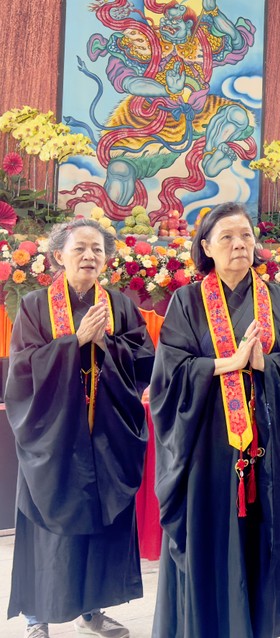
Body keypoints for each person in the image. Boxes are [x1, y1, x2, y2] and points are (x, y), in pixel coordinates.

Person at [150, 202, 280, 638]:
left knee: (257, 544)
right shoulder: (187, 301)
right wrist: (226, 363)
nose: (239, 244)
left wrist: (264, 365)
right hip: (205, 448)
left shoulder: (276, 299)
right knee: (211, 544)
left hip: (262, 448)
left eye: (245, 235)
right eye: (226, 237)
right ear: (206, 246)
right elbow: (169, 375)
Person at [6, 219, 154, 638]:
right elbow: (21, 368)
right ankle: (38, 615)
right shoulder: (36, 305)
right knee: (49, 528)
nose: (90, 256)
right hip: (52, 438)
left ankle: (92, 609)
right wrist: (73, 343)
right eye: (80, 249)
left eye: (98, 249)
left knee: (100, 524)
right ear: (59, 256)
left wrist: (107, 343)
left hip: (106, 436)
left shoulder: (120, 305)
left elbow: (145, 359)